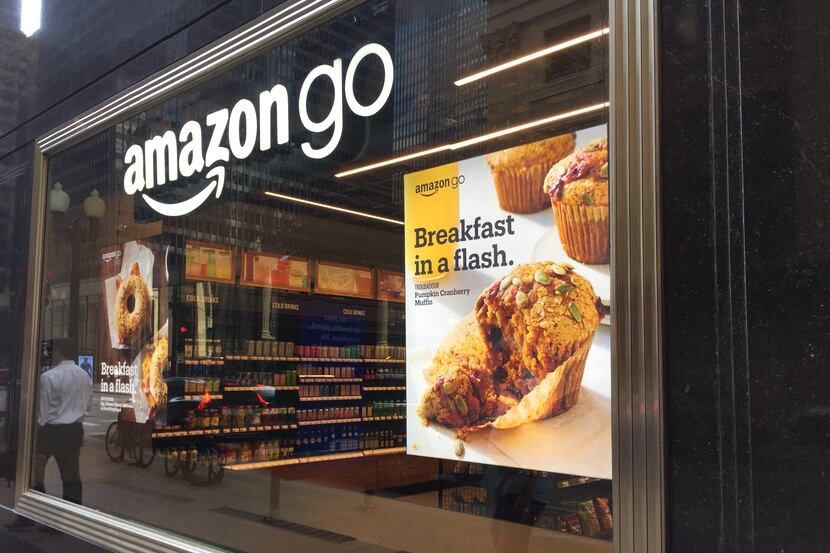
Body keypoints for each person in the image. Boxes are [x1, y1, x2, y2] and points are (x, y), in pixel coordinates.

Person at [32, 337, 93, 505]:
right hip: (74, 430)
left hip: (50, 430)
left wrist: (37, 429)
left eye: (52, 350)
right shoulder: (84, 375)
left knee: (35, 471)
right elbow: (89, 405)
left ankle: (33, 510)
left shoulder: (48, 377)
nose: (51, 354)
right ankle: (72, 512)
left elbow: (42, 412)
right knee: (71, 475)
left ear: (58, 352)